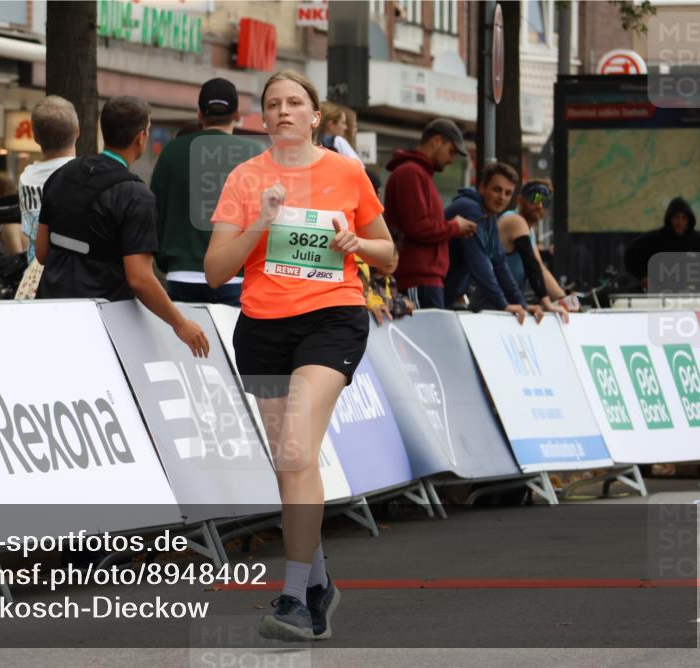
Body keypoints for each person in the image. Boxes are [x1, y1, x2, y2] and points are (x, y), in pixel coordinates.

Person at [206, 70, 396, 641]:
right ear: (263, 118)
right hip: (263, 328)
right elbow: (215, 271)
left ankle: (292, 599)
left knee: (294, 450)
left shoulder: (346, 172)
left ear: (315, 116)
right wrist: (261, 221)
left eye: (295, 102)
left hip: (331, 320)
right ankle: (318, 586)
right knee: (290, 463)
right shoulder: (245, 178)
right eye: (273, 104)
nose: (283, 111)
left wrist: (357, 244)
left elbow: (388, 254)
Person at [35, 95, 209, 358]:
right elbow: (140, 279)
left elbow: (42, 252)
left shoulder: (62, 174)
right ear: (141, 137)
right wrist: (180, 324)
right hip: (101, 326)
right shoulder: (136, 195)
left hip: (51, 315)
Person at [151, 77, 263, 305]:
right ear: (237, 114)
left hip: (181, 274)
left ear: (200, 113)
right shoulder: (254, 153)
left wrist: (163, 259)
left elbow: (153, 212)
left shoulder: (172, 151)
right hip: (236, 275)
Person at [383, 118, 477, 309]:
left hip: (425, 278)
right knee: (426, 329)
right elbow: (418, 227)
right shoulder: (410, 173)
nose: (451, 159)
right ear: (436, 141)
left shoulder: (418, 173)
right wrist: (454, 226)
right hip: (417, 278)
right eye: (451, 151)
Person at [443, 162, 542, 324]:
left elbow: (499, 264)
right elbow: (479, 263)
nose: (502, 197)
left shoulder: (489, 217)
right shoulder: (470, 209)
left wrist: (521, 303)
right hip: (426, 288)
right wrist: (503, 304)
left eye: (508, 193)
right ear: (483, 187)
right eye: (497, 190)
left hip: (446, 294)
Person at [498, 179, 572, 319]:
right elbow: (530, 263)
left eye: (545, 202)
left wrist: (564, 301)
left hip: (509, 308)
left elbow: (540, 269)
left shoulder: (529, 231)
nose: (540, 205)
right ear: (520, 200)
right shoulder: (514, 220)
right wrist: (548, 303)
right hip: (492, 306)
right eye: (535, 198)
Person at [19, 96, 79, 264]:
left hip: (35, 269)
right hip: (73, 269)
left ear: (36, 137)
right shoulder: (82, 175)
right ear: (77, 131)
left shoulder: (26, 177)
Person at [625, 196, 700, 290]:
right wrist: (643, 275)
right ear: (669, 218)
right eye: (676, 217)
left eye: (684, 218)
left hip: (690, 293)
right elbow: (630, 254)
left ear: (689, 220)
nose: (680, 222)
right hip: (659, 292)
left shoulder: (699, 240)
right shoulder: (656, 238)